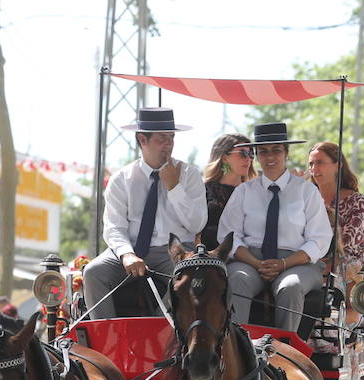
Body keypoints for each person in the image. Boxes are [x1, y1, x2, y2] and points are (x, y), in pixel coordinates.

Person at [84, 107, 207, 318]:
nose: (168, 144)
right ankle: (106, 342)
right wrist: (127, 253)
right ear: (143, 140)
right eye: (162, 139)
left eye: (172, 137)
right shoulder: (122, 178)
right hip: (131, 249)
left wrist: (174, 187)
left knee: (189, 273)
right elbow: (114, 226)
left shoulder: (189, 175)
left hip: (176, 252)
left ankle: (161, 336)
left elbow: (197, 225)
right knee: (93, 272)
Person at [216, 122, 332, 333]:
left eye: (276, 150)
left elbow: (320, 239)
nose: (270, 157)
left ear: (286, 152)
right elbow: (229, 236)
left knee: (291, 287)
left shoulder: (307, 191)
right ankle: (236, 349)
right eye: (263, 151)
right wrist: (256, 262)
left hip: (297, 262)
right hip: (250, 261)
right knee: (237, 281)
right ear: (257, 156)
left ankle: (285, 353)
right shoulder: (244, 191)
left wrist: (284, 263)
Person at [306, 140, 364, 322]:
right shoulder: (306, 200)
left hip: (343, 263)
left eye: (320, 162)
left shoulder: (355, 201)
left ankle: (339, 325)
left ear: (338, 165)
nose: (314, 168)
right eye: (311, 163)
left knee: (347, 269)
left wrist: (323, 264)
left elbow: (349, 245)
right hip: (310, 260)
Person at [201, 134, 253, 249]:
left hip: (246, 258)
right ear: (224, 157)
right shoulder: (202, 190)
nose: (249, 158)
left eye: (251, 153)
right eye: (243, 153)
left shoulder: (254, 192)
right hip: (208, 260)